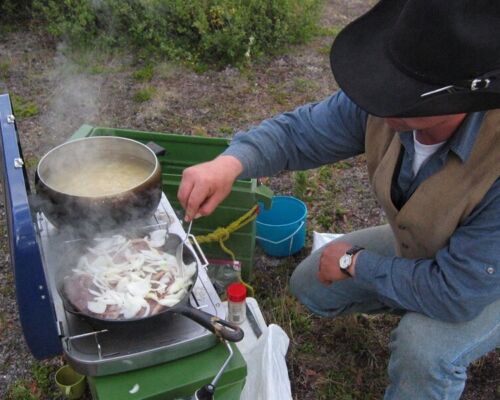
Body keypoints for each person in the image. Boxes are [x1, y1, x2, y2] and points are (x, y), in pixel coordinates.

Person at [177, 1, 500, 398]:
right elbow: (301, 132)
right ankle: (412, 291)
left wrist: (354, 263)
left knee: (422, 350)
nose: (377, 96)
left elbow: (457, 292)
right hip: (431, 244)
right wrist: (229, 164)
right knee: (312, 286)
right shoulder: (387, 107)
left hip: (484, 282)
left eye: (399, 90)